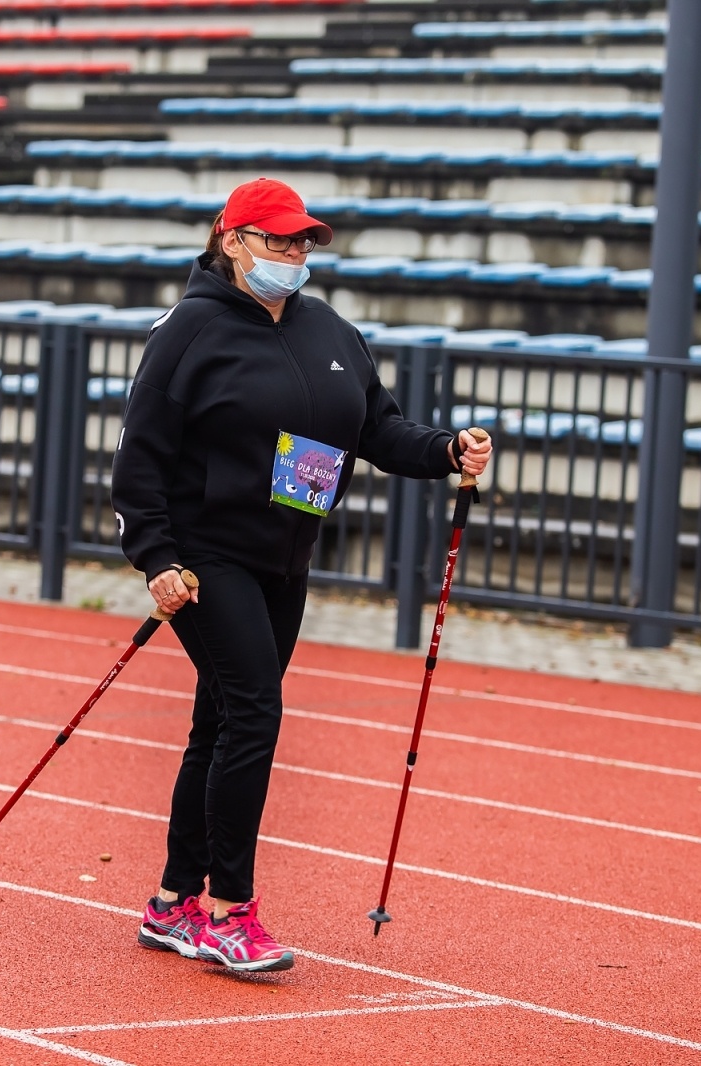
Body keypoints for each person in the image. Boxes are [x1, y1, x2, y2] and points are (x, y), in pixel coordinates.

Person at [110, 177, 491, 973]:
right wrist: (156, 557)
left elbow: (377, 427)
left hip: (285, 554)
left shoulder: (328, 328)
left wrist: (447, 450)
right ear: (231, 239)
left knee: (217, 723)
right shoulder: (188, 330)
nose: (292, 254)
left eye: (301, 242)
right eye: (277, 240)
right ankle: (229, 912)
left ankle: (173, 902)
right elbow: (139, 454)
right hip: (205, 558)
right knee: (253, 711)